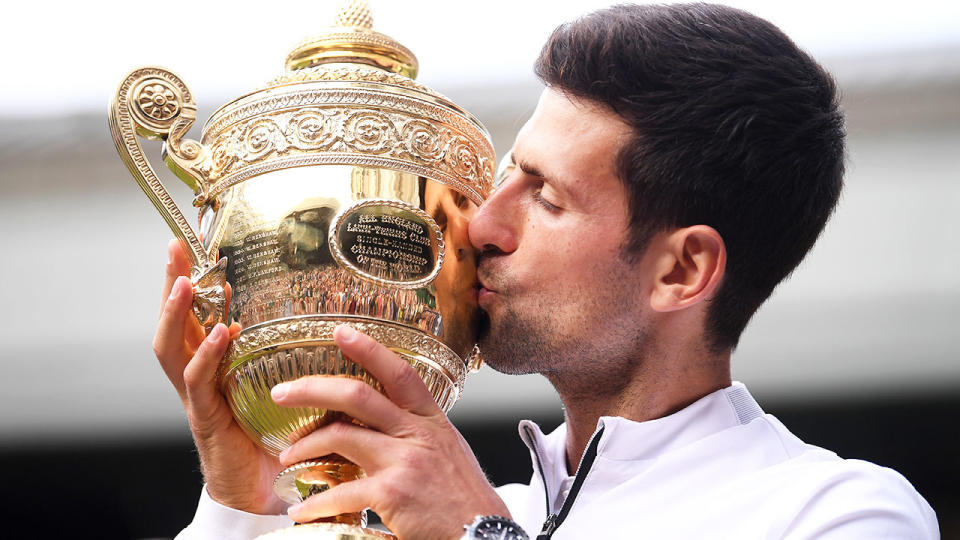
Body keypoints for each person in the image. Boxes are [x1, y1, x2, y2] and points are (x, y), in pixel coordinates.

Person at [155, 4, 939, 539]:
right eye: (507, 174)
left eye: (549, 199)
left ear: (682, 269)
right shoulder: (457, 509)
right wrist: (248, 501)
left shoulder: (840, 515)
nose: (485, 226)